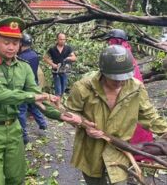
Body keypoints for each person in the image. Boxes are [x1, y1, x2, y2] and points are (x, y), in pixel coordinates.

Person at [0, 17, 84, 185]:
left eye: (15, 43)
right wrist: (32, 97)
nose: (11, 47)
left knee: (16, 178)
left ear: (20, 44)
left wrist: (62, 116)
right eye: (6, 42)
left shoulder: (23, 67)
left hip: (13, 129)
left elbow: (37, 95)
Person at [66, 45, 167, 185]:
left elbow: (150, 116)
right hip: (90, 150)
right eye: (114, 78)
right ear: (103, 72)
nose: (120, 82)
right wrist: (84, 124)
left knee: (119, 181)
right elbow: (69, 112)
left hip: (120, 150)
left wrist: (165, 130)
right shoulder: (83, 87)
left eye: (124, 77)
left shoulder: (136, 88)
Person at [105, 28, 153, 162]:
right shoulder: (125, 51)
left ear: (116, 40)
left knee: (131, 123)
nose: (109, 43)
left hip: (129, 93)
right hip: (133, 92)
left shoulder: (121, 55)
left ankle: (133, 153)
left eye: (111, 41)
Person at [17, 33, 47, 144]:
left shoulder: (21, 57)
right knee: (34, 105)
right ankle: (43, 124)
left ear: (21, 44)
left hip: (24, 85)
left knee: (21, 110)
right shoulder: (34, 54)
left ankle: (24, 136)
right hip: (33, 84)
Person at [43, 32, 77, 107]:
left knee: (63, 87)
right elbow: (45, 58)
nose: (62, 41)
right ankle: (58, 106)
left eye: (64, 39)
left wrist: (69, 58)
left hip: (65, 71)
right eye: (61, 39)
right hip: (56, 71)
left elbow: (75, 58)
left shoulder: (68, 48)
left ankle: (58, 102)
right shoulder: (52, 49)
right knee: (58, 88)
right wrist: (52, 64)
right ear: (57, 39)